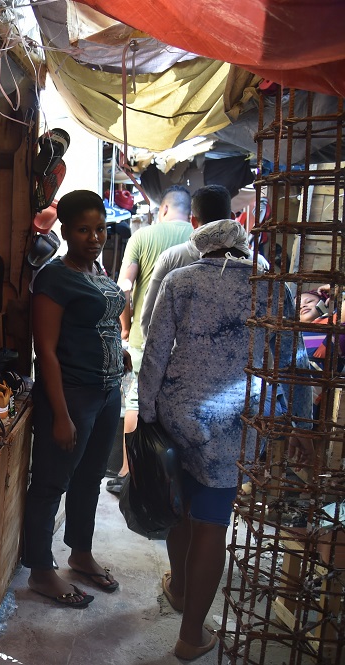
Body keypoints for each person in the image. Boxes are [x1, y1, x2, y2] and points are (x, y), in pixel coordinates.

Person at [139, 219, 313, 660]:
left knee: (179, 507)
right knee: (213, 522)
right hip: (236, 419)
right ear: (241, 245)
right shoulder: (271, 286)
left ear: (202, 249)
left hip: (178, 410)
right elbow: (291, 359)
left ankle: (179, 589)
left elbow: (156, 351)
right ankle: (191, 635)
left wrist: (145, 414)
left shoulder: (181, 280)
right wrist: (302, 423)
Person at [23, 190, 130, 608]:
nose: (94, 237)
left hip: (106, 394)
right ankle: (40, 571)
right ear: (66, 231)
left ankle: (80, 554)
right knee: (51, 483)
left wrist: (116, 353)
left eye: (100, 228)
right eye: (84, 230)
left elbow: (102, 322)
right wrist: (61, 415)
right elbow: (45, 349)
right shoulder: (54, 277)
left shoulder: (98, 271)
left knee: (90, 479)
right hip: (71, 396)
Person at [111, 186, 193, 492]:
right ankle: (166, 477)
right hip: (183, 342)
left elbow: (124, 286)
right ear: (190, 213)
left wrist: (125, 324)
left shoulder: (143, 237)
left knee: (136, 398)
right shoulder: (198, 241)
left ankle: (127, 472)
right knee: (173, 404)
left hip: (145, 338)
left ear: (163, 209)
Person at [139, 185, 270, 340]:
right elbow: (268, 325)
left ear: (193, 221)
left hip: (184, 362)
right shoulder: (258, 264)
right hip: (243, 363)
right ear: (233, 217)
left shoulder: (171, 259)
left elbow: (149, 323)